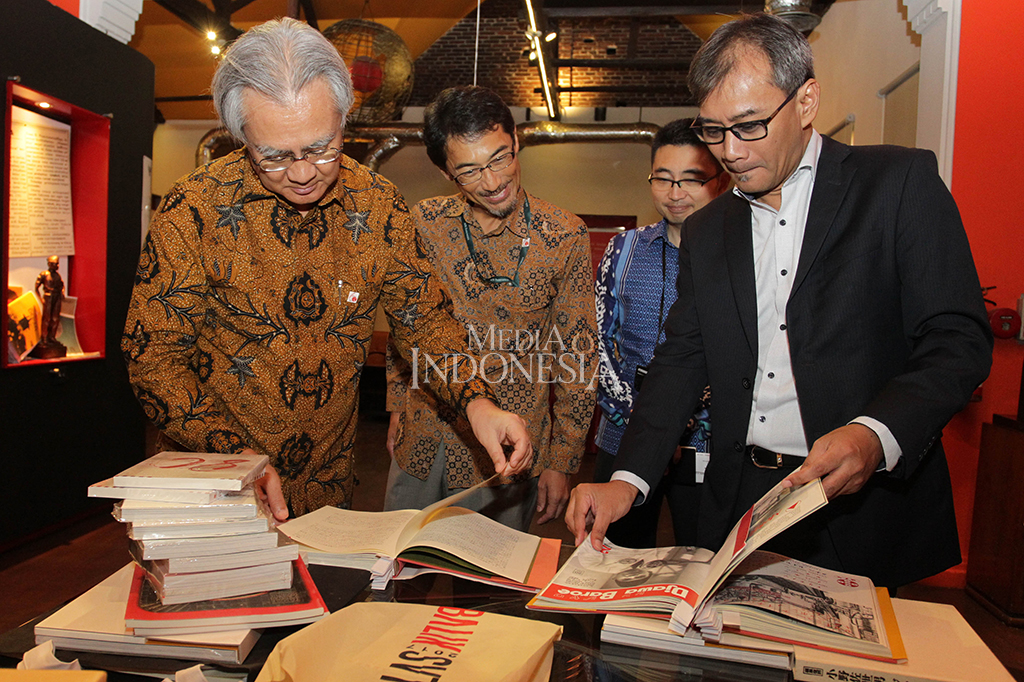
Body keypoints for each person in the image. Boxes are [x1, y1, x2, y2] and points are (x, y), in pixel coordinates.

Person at [566, 13, 992, 589]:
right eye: (713, 131)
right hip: (739, 501)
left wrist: (874, 433)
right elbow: (682, 358)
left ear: (806, 101)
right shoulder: (709, 228)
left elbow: (956, 341)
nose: (730, 153)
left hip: (861, 508)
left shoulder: (897, 183)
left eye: (748, 126)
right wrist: (630, 477)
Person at [122, 19, 533, 521]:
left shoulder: (378, 206)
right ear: (240, 135)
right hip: (213, 486)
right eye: (272, 156)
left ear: (343, 117)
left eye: (321, 148)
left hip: (327, 494)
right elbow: (153, 357)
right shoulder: (194, 210)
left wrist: (478, 403)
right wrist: (235, 459)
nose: (300, 173)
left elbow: (425, 321)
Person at [384, 86, 597, 531]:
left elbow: (577, 356)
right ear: (446, 172)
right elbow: (407, 322)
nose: (494, 181)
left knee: (488, 587)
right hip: (424, 435)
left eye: (500, 158)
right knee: (398, 570)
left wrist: (562, 460)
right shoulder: (425, 223)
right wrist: (397, 407)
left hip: (508, 453)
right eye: (470, 170)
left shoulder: (565, 236)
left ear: (516, 140)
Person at [592, 119, 728, 548]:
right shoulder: (624, 249)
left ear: (719, 181)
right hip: (624, 432)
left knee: (702, 560)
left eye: (691, 180)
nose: (675, 193)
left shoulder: (736, 257)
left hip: (706, 442)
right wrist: (642, 420)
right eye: (663, 179)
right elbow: (600, 341)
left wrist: (679, 417)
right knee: (611, 559)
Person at [35, 256, 65, 344]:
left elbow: (61, 285)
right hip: (48, 297)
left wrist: (62, 292)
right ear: (49, 264)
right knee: (47, 318)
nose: (56, 266)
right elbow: (36, 287)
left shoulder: (57, 276)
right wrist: (41, 299)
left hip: (57, 297)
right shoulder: (44, 274)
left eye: (57, 264)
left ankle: (52, 337)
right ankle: (44, 337)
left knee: (55, 318)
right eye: (53, 264)